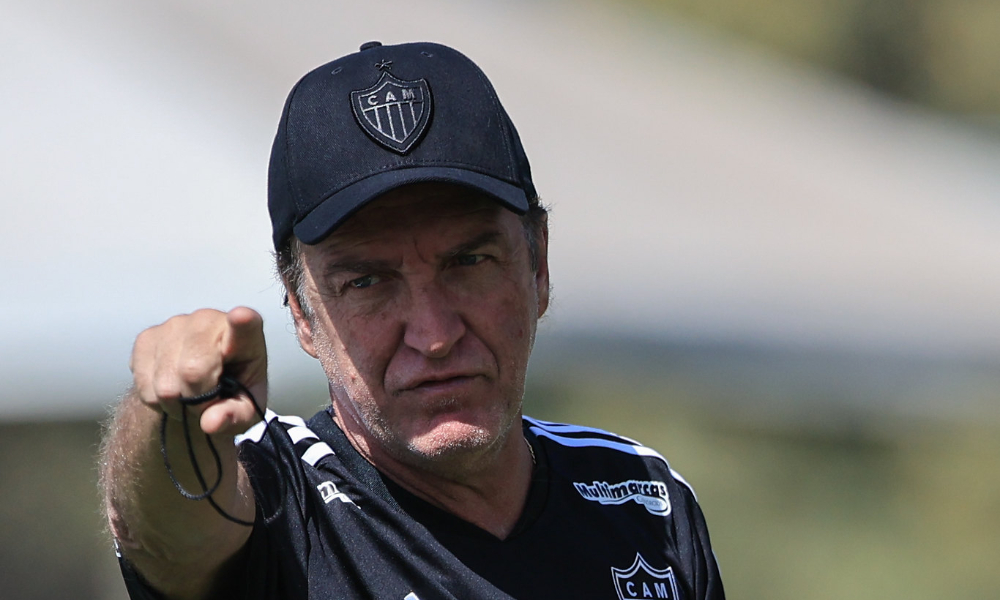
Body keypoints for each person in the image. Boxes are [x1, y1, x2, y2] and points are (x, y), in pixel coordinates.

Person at [100, 41, 725, 600]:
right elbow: (167, 534)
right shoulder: (279, 499)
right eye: (367, 282)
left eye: (469, 261)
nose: (434, 335)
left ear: (538, 267)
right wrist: (169, 417)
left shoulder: (642, 500)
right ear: (302, 313)